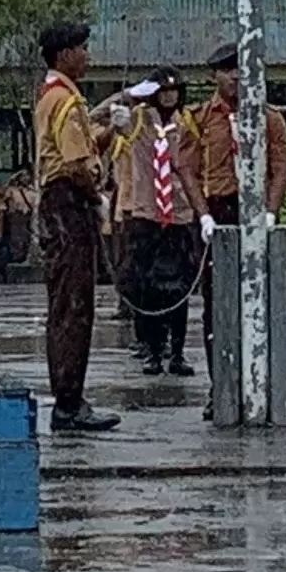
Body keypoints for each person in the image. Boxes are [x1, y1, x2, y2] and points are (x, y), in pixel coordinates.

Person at [31, 23, 119, 432]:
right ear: (63, 54)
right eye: (81, 48)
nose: (87, 54)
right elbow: (73, 164)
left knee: (67, 303)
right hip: (68, 205)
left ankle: (70, 396)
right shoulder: (66, 101)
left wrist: (107, 133)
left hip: (60, 204)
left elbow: (80, 149)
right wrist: (95, 195)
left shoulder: (55, 96)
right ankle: (68, 402)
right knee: (72, 305)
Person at [188, 46, 286, 351]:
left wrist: (271, 211)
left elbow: (280, 167)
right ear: (213, 76)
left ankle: (256, 378)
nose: (235, 76)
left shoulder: (269, 118)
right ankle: (220, 384)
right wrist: (203, 214)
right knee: (217, 298)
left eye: (240, 69)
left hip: (255, 209)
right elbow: (187, 170)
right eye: (226, 70)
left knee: (259, 294)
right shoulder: (199, 118)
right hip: (218, 209)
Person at [115, 78, 200, 375]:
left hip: (178, 214)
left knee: (179, 288)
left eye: (173, 90)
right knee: (145, 286)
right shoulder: (138, 118)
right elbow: (97, 116)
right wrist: (128, 94)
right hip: (146, 214)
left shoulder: (187, 121)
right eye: (162, 90)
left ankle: (177, 352)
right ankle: (151, 350)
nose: (168, 96)